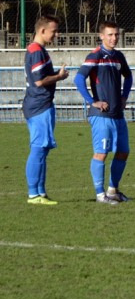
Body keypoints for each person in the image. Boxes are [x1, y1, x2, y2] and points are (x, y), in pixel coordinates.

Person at [74, 20, 134, 205]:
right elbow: (78, 79)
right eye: (110, 35)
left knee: (123, 152)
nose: (114, 38)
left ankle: (113, 191)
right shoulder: (95, 55)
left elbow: (129, 76)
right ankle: (100, 194)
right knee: (101, 153)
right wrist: (93, 101)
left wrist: (124, 96)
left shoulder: (118, 56)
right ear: (101, 36)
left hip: (118, 114)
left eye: (116, 34)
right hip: (101, 115)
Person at [23, 15, 69, 205]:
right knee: (38, 148)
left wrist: (56, 75)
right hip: (38, 105)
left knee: (42, 149)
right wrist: (59, 76)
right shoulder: (36, 51)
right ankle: (33, 194)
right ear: (42, 31)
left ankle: (40, 192)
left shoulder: (38, 50)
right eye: (54, 31)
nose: (57, 35)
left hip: (41, 104)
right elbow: (39, 81)